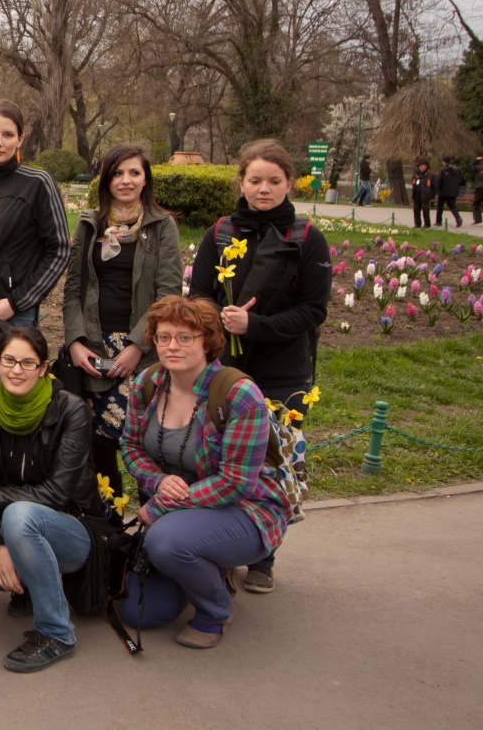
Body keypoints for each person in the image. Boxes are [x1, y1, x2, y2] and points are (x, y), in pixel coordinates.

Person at [188, 139, 328, 594]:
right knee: (222, 457)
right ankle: (225, 547)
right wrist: (216, 320)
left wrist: (256, 325)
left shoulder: (306, 237)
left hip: (284, 369)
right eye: (255, 180)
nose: (263, 189)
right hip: (226, 368)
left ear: (289, 182)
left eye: (274, 181)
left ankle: (265, 553)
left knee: (274, 461)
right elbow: (200, 294)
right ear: (241, 182)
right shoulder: (222, 232)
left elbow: (313, 310)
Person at [118, 294, 291, 648]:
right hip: (178, 512)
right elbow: (131, 448)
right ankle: (207, 567)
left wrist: (161, 507)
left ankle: (214, 611)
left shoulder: (239, 395)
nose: (172, 346)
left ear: (207, 341)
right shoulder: (147, 384)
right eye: (163, 337)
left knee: (166, 543)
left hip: (243, 510)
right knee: (140, 614)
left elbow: (236, 482)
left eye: (185, 337)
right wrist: (158, 481)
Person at [0, 325, 109, 672]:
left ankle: (57, 633)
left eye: (27, 363)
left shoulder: (71, 410)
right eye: (9, 360)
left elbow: (56, 492)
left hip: (72, 527)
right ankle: (32, 585)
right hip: (14, 523)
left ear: (44, 368)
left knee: (21, 514)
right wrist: (0, 545)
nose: (16, 370)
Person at [62, 144, 183, 494]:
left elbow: (168, 296)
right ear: (106, 179)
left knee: (148, 446)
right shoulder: (90, 224)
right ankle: (108, 528)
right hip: (94, 348)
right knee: (98, 446)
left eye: (134, 173)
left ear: (146, 179)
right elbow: (73, 291)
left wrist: (135, 346)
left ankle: (153, 530)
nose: (126, 181)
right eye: (117, 173)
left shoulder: (162, 227)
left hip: (142, 351)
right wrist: (75, 342)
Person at [0, 100, 71, 394]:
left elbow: (59, 251)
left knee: (13, 392)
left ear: (20, 139)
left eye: (7, 135)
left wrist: (18, 302)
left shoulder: (38, 183)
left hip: (14, 315)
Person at [435, 155, 463, 228]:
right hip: (453, 191)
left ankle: (438, 221)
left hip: (443, 191)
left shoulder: (442, 169)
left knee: (440, 206)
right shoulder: (457, 169)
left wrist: (437, 189)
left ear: (444, 162)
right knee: (452, 206)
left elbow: (439, 180)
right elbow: (460, 180)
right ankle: (458, 218)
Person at [410, 159, 436, 229]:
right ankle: (417, 224)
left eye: (424, 166)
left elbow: (435, 186)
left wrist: (432, 194)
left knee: (425, 209)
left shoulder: (430, 175)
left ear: (426, 167)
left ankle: (427, 224)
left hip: (425, 196)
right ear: (419, 167)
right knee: (416, 210)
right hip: (417, 195)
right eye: (421, 166)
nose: (423, 167)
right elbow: (413, 184)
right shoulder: (415, 175)